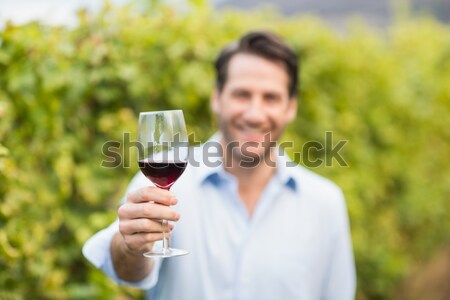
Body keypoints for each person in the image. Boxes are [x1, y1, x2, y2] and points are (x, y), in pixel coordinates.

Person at [83, 31, 356, 300]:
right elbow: (128, 269)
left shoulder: (325, 203)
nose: (254, 113)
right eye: (242, 94)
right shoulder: (159, 186)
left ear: (291, 107)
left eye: (270, 98)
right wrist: (130, 247)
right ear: (217, 98)